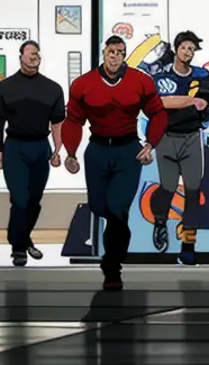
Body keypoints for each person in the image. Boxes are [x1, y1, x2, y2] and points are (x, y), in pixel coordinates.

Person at [63, 35, 168, 291]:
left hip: (127, 150)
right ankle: (115, 249)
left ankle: (112, 267)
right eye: (111, 51)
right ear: (104, 53)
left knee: (117, 208)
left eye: (120, 52)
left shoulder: (140, 81)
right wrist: (71, 152)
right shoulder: (83, 84)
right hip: (98, 149)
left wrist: (150, 144)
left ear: (124, 55)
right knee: (100, 207)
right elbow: (73, 120)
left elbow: (158, 113)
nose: (115, 56)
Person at [0, 41, 65, 267]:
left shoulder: (53, 88)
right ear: (20, 56)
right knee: (19, 199)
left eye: (37, 53)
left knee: (34, 201)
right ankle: (18, 248)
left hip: (41, 148)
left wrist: (58, 149)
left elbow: (58, 123)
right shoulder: (7, 87)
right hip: (15, 148)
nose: (35, 56)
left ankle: (24, 238)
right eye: (31, 53)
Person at [143, 30, 209, 266]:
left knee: (193, 190)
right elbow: (157, 104)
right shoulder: (159, 75)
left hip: (191, 138)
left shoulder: (203, 76)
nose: (188, 52)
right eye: (184, 47)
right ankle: (160, 222)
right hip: (166, 138)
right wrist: (185, 102)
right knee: (168, 187)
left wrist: (177, 104)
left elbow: (201, 105)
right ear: (176, 49)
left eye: (192, 49)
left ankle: (189, 245)